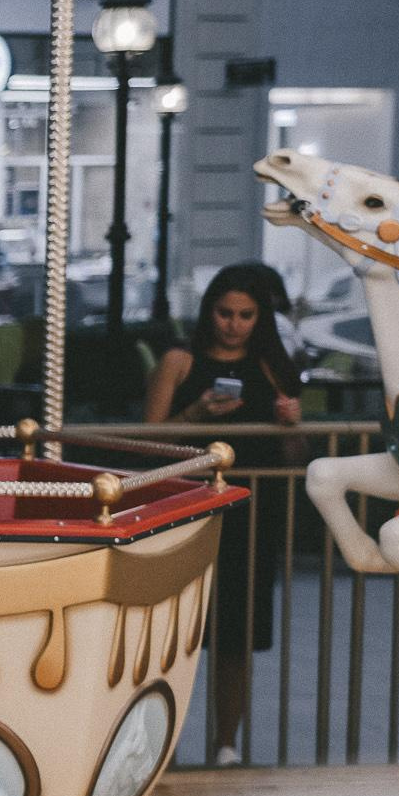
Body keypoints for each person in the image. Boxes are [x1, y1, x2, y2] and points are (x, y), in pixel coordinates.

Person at [142, 262, 301, 765]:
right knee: (170, 632)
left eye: (246, 315)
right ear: (209, 311)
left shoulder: (274, 367)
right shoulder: (179, 362)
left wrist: (290, 425)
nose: (233, 324)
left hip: (251, 512)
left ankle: (225, 744)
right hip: (185, 509)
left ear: (261, 318)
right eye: (224, 313)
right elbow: (149, 440)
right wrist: (196, 416)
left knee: (236, 631)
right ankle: (152, 745)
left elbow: (296, 458)